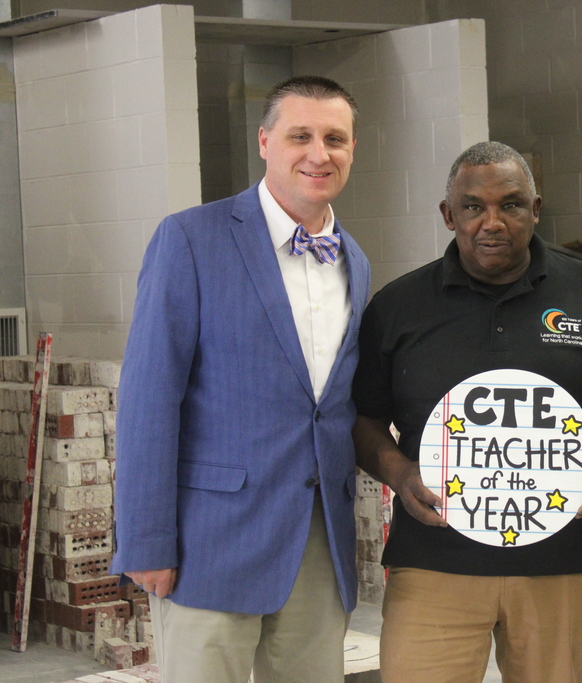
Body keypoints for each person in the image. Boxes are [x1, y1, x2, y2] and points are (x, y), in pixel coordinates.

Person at [353, 141, 582, 683]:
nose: (492, 222)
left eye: (512, 204)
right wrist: (398, 471)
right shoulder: (398, 305)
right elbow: (362, 417)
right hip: (433, 560)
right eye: (473, 207)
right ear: (448, 215)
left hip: (560, 560)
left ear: (537, 209)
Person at [111, 75, 370, 682]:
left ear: (352, 149)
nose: (319, 153)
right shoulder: (191, 239)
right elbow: (149, 399)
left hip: (317, 542)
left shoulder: (353, 258)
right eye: (299, 135)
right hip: (210, 543)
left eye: (336, 138)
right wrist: (147, 541)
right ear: (264, 141)